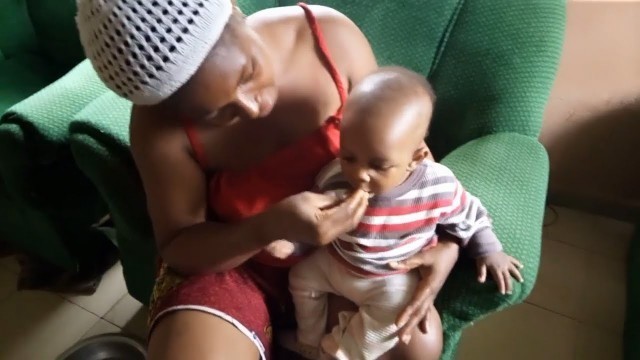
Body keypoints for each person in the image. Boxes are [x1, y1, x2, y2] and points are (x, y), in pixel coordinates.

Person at [75, 1, 462, 359]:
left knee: (416, 345)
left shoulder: (328, 40)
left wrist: (447, 243)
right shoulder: (159, 129)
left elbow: (409, 159)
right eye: (214, 114)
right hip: (234, 267)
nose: (254, 106)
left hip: (347, 259)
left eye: (249, 73)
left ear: (236, 11)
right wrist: (269, 226)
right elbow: (179, 246)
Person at [280, 67, 524, 360]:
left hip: (390, 276)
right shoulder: (334, 176)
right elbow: (318, 222)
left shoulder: (435, 185)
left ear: (415, 158)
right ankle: (308, 341)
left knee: (393, 321)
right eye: (349, 156)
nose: (359, 173)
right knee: (300, 278)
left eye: (378, 165)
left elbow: (469, 214)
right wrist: (293, 243)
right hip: (336, 262)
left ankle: (339, 352)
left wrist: (489, 250)